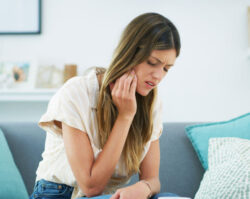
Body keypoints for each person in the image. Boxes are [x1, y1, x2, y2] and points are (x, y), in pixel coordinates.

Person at [29, 12, 181, 199]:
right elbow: (91, 187)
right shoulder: (77, 92)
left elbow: (153, 179)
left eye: (166, 68)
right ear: (130, 54)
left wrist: (145, 187)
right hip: (61, 194)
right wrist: (125, 116)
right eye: (152, 63)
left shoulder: (152, 102)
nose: (158, 76)